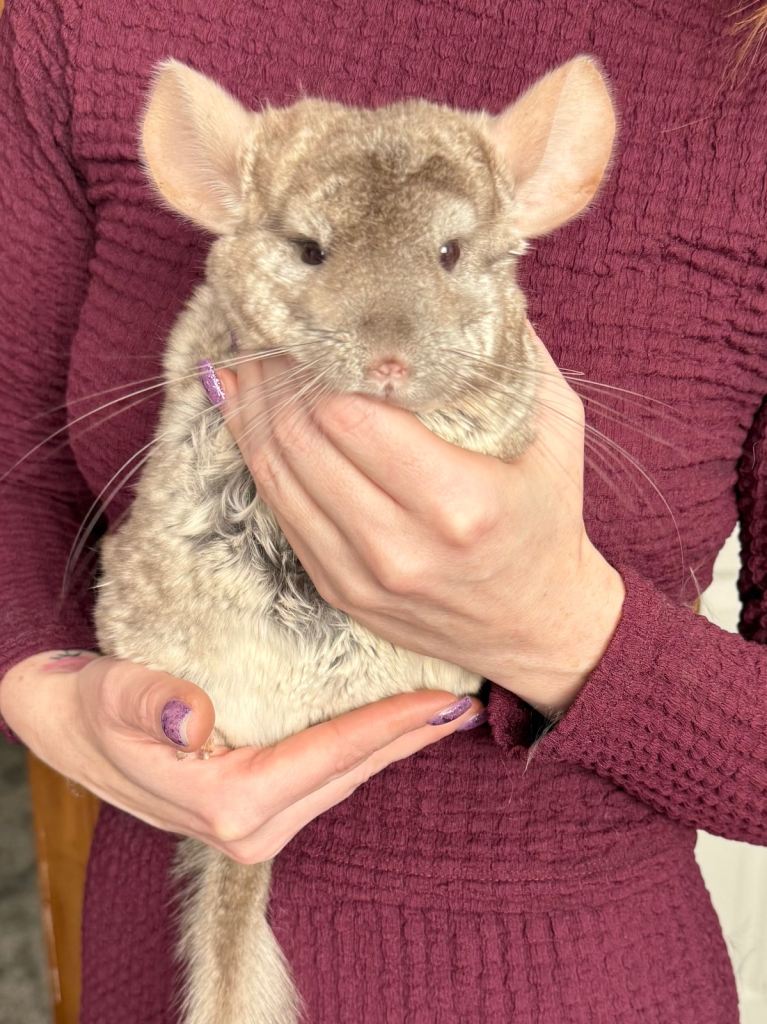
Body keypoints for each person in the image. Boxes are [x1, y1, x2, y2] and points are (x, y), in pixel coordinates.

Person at [0, 0, 765, 1021]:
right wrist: (49, 694)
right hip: (170, 946)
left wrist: (560, 629)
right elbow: (18, 468)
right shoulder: (75, 22)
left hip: (570, 978)